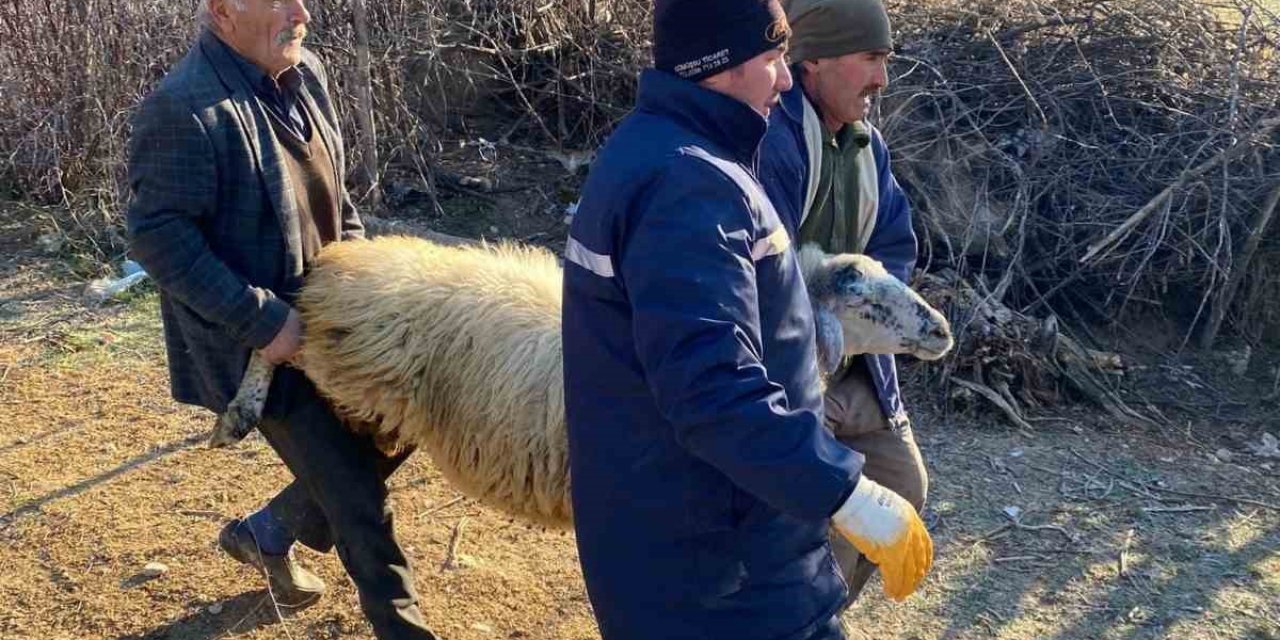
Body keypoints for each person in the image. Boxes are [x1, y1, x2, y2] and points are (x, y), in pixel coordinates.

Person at [561, 0, 932, 638]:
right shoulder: (689, 186)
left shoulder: (671, 155)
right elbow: (711, 390)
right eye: (772, 60)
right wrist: (846, 492)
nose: (786, 81)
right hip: (721, 573)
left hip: (714, 547)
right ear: (719, 66)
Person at [125, 1, 438, 637]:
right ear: (221, 11)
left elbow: (336, 196)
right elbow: (158, 238)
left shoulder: (306, 73)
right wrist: (265, 321)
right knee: (358, 500)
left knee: (407, 423)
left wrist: (363, 279)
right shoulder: (182, 107)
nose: (302, 14)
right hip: (259, 349)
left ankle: (266, 533)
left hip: (336, 321)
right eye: (279, 1)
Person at [757, 0, 929, 616]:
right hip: (790, 379)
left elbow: (894, 247)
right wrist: (816, 330)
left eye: (884, 58)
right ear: (816, 60)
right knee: (808, 513)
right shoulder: (770, 144)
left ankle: (821, 613)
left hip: (861, 373)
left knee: (905, 488)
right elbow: (761, 276)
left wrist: (859, 319)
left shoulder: (868, 148)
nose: (882, 79)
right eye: (870, 58)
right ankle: (796, 620)